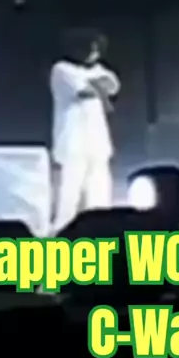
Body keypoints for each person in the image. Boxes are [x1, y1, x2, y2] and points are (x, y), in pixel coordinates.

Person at [50, 27, 120, 231]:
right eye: (90, 49)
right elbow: (85, 90)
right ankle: (62, 230)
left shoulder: (98, 70)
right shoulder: (61, 69)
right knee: (69, 191)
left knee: (99, 190)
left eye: (97, 49)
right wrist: (98, 85)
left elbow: (113, 86)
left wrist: (97, 84)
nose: (94, 54)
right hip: (72, 141)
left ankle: (102, 229)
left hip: (97, 141)